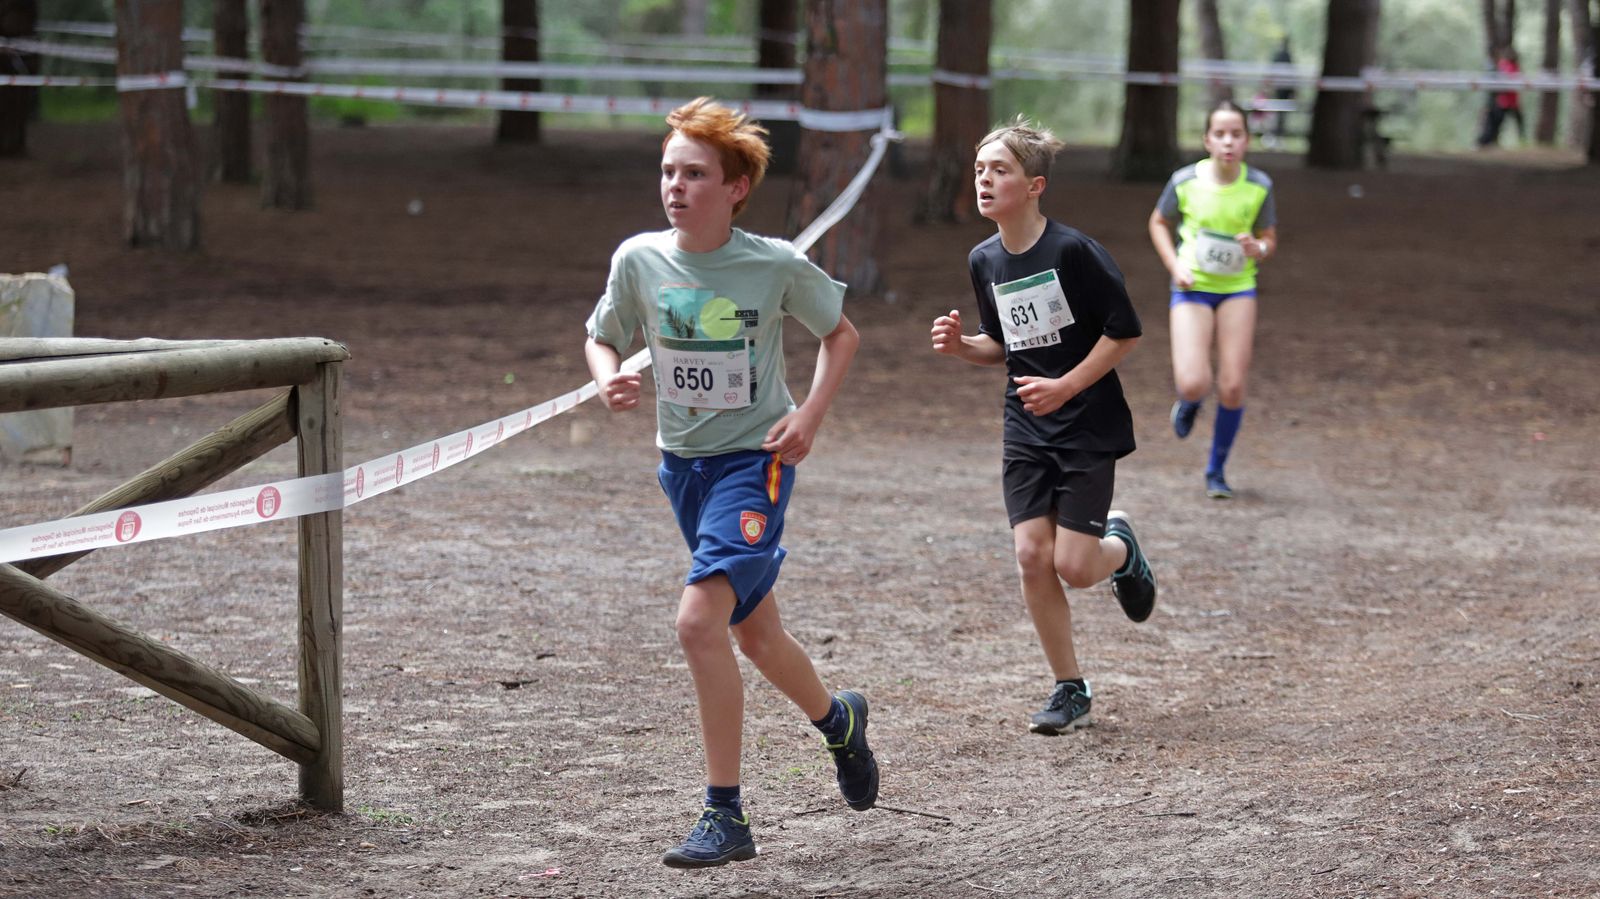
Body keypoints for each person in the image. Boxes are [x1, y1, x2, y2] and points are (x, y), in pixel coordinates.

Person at [584, 97, 875, 868]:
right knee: (755, 632)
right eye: (668, 172)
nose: (675, 187)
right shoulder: (639, 259)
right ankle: (840, 720)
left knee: (696, 623)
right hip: (682, 468)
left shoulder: (772, 263)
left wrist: (810, 414)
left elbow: (841, 333)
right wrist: (610, 379)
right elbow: (600, 335)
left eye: (695, 174)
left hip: (757, 462)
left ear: (736, 186)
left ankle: (726, 815)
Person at [930, 117, 1158, 736]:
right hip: (1027, 424)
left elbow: (1124, 332)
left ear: (1034, 186)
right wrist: (961, 348)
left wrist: (1067, 386)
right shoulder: (984, 259)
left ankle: (1123, 550)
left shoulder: (1074, 253)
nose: (984, 180)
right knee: (1033, 555)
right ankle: (1069, 687)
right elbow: (1001, 346)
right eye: (979, 170)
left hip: (1086, 421)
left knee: (1077, 568)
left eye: (998, 170)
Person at [1147, 99, 1278, 500]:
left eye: (1236, 134)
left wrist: (1258, 247)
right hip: (1192, 287)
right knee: (1193, 382)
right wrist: (1174, 265)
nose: (1228, 142)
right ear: (1207, 139)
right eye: (1219, 134)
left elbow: (1269, 237)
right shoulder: (1185, 180)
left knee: (1233, 386)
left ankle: (1216, 469)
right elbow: (1158, 221)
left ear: (1246, 140)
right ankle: (1188, 403)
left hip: (1238, 287)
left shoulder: (1258, 185)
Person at [1478, 46, 1526, 148]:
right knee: (1497, 122)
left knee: (1503, 122)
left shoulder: (1507, 66)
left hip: (1509, 101)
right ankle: (1487, 141)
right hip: (1505, 101)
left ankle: (1521, 140)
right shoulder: (1506, 66)